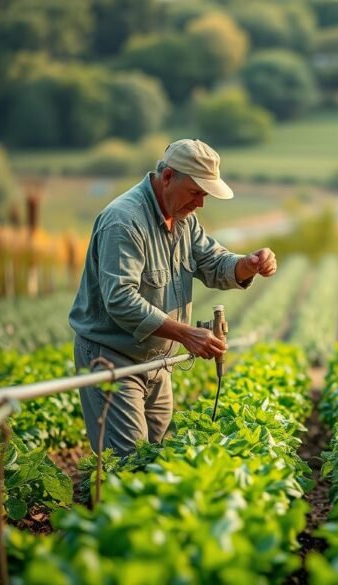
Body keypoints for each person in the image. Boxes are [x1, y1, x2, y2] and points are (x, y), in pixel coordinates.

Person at [68, 138, 277, 456]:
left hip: (157, 360)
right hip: (112, 357)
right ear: (167, 178)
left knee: (156, 455)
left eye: (205, 195)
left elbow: (213, 262)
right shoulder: (124, 222)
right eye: (196, 192)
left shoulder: (183, 219)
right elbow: (120, 298)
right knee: (127, 461)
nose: (200, 204)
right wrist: (185, 333)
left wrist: (247, 265)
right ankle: (101, 503)